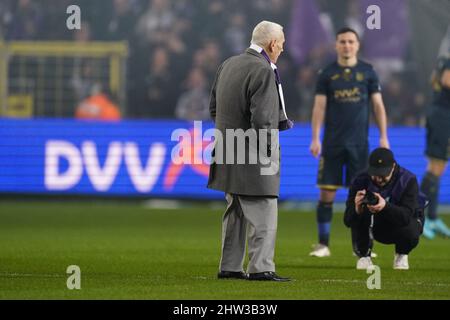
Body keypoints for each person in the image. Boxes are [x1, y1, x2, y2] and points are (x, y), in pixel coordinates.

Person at [207, 21, 292, 282]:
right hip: (254, 152)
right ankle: (261, 267)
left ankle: (230, 266)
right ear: (272, 44)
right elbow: (264, 119)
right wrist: (267, 153)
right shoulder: (263, 70)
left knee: (235, 211)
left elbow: (213, 109)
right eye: (282, 44)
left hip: (227, 147)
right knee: (264, 208)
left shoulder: (227, 64)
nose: (282, 50)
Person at [309, 27, 390, 257]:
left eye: (350, 41)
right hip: (332, 144)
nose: (346, 45)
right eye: (342, 41)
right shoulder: (326, 73)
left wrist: (384, 136)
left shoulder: (368, 72)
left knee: (363, 196)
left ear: (357, 45)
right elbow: (319, 107)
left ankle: (361, 247)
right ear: (336, 45)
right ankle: (323, 245)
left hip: (359, 145)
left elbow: (378, 106)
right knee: (326, 195)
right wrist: (315, 138)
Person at [344, 148, 424, 270]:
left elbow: (406, 217)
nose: (379, 179)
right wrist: (356, 209)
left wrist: (385, 207)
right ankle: (364, 255)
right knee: (359, 215)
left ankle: (402, 254)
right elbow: (347, 221)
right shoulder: (360, 180)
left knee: (413, 226)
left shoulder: (408, 180)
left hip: (399, 225)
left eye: (383, 174)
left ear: (393, 167)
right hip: (374, 226)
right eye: (375, 174)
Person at [420, 55, 450, 239]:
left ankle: (432, 217)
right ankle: (417, 217)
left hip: (441, 114)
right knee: (435, 166)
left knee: (439, 167)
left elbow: (435, 80)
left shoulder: (443, 59)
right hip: (442, 116)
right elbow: (447, 81)